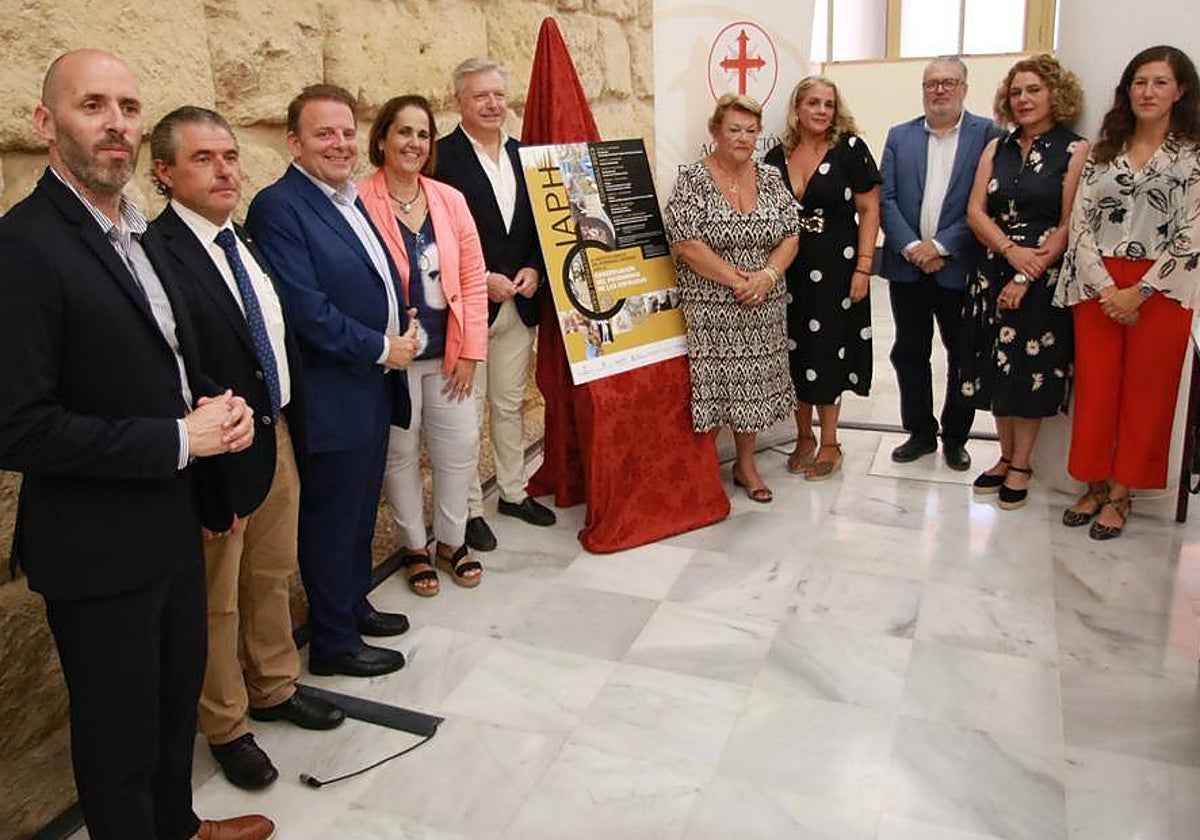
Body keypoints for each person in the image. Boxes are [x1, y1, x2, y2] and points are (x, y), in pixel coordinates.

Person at [0, 50, 271, 840]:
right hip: (95, 547)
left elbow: (156, 367)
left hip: (169, 525)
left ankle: (180, 826)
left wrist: (212, 422)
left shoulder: (138, 230)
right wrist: (177, 439)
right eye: (93, 105)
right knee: (117, 742)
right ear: (47, 124)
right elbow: (16, 426)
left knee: (167, 709)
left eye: (127, 105)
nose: (115, 122)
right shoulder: (24, 246)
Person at [147, 106, 346, 791]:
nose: (225, 169)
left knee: (269, 576)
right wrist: (207, 480)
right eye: (203, 158)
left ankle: (275, 687)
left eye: (229, 155)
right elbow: (174, 371)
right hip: (218, 455)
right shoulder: (158, 254)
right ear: (165, 174)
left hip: (275, 436)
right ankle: (227, 725)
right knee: (217, 601)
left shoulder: (244, 242)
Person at [245, 84, 419, 677]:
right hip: (334, 391)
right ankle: (335, 644)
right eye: (324, 133)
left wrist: (402, 320)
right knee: (330, 519)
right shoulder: (280, 206)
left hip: (370, 385)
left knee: (357, 511)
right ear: (294, 142)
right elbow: (306, 310)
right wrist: (381, 345)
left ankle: (351, 606)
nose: (341, 144)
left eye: (347, 131)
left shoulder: (350, 197)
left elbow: (368, 280)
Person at [1056, 45, 1200, 539]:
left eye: (1160, 82)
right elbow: (1081, 225)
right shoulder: (1102, 152)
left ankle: (1123, 493)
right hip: (1098, 286)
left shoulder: (1193, 156)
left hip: (1163, 289)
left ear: (1180, 90)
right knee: (1095, 391)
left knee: (1147, 395)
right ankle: (1094, 484)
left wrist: (1139, 290)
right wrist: (1106, 287)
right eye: (1140, 82)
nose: (1148, 92)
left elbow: (1193, 232)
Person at [359, 95, 489, 593]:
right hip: (394, 358)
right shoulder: (358, 199)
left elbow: (474, 278)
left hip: (450, 355)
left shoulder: (449, 200)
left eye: (422, 134)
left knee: (458, 449)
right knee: (400, 455)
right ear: (382, 139)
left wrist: (472, 352)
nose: (413, 143)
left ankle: (453, 543)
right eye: (403, 132)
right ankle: (415, 547)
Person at [434, 57, 555, 552]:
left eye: (498, 95)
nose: (491, 104)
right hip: (468, 310)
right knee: (467, 418)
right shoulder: (440, 158)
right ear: (459, 102)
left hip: (519, 306)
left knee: (510, 405)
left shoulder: (527, 156)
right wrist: (479, 279)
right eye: (480, 96)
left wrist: (534, 269)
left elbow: (541, 228)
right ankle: (468, 510)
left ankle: (513, 491)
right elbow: (433, 238)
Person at [960, 56, 1089, 510]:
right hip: (992, 268)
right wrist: (1008, 252)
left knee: (1030, 373)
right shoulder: (998, 148)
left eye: (1033, 89)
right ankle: (1003, 456)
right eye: (1016, 92)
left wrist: (1025, 270)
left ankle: (1022, 464)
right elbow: (976, 211)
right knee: (997, 369)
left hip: (1042, 276)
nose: (1024, 99)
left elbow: (1071, 222)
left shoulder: (1075, 151)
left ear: (1055, 94)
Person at [664, 94, 800, 502]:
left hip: (764, 304)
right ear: (715, 132)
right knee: (716, 388)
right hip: (712, 306)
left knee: (753, 390)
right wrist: (737, 281)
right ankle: (703, 471)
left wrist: (768, 275)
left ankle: (746, 465)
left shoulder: (772, 178)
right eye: (734, 129)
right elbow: (684, 243)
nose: (743, 138)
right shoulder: (692, 179)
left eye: (751, 131)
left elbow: (792, 233)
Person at [880, 56, 1001, 470]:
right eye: (932, 83)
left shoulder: (987, 134)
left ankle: (955, 438)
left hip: (959, 268)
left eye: (949, 82)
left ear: (965, 88)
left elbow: (989, 202)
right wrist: (913, 246)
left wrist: (941, 246)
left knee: (962, 354)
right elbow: (886, 199)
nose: (940, 90)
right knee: (909, 352)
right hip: (907, 268)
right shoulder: (900, 136)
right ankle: (919, 433)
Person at [765, 76, 881, 480]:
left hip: (837, 268)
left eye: (828, 104)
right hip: (788, 270)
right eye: (813, 102)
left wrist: (864, 266)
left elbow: (870, 210)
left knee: (829, 352)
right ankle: (803, 437)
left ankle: (830, 442)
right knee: (795, 352)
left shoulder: (850, 149)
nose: (821, 111)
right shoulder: (777, 155)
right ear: (797, 108)